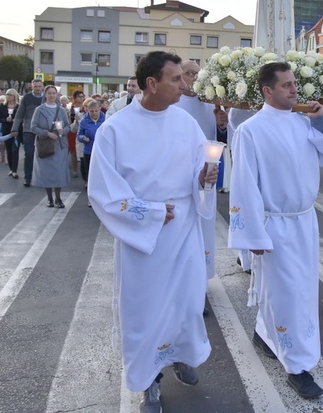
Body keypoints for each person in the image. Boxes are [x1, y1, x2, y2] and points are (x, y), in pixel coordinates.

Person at [88, 51, 218, 413]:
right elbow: (103, 192)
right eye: (175, 79)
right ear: (150, 83)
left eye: (183, 77)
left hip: (184, 230)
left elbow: (198, 171)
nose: (184, 84)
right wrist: (152, 213)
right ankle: (150, 383)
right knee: (144, 312)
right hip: (143, 239)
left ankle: (180, 356)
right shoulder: (115, 129)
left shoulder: (186, 123)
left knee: (187, 305)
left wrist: (203, 177)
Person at [229, 62, 323, 399]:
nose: (296, 90)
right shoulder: (251, 130)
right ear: (267, 91)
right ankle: (296, 367)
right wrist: (253, 237)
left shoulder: (302, 121)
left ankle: (266, 334)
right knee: (285, 294)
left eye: (295, 84)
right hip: (273, 225)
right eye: (287, 85)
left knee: (302, 291)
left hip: (303, 221)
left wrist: (321, 121)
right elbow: (244, 185)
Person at [176, 60, 231, 281]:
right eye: (190, 73)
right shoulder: (173, 103)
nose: (195, 78)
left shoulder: (211, 104)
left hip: (207, 175)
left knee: (205, 228)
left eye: (198, 74)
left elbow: (220, 141)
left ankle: (201, 282)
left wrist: (222, 126)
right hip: (180, 177)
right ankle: (183, 280)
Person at [30, 85, 71, 208]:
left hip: (59, 145)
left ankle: (58, 198)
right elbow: (33, 127)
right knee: (47, 172)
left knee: (58, 172)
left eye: (54, 93)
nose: (52, 95)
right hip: (45, 145)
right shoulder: (39, 110)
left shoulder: (61, 110)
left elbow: (68, 126)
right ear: (45, 95)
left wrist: (62, 131)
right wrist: (46, 133)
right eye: (49, 93)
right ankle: (49, 198)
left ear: (57, 95)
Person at [11, 79, 44, 186]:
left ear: (42, 87)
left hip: (42, 129)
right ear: (32, 87)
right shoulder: (27, 98)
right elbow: (20, 114)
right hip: (28, 129)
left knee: (43, 154)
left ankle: (41, 176)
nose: (38, 88)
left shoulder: (47, 97)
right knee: (29, 153)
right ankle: (28, 177)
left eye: (39, 86)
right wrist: (15, 128)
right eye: (35, 86)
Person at [76, 99, 105, 191]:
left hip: (102, 150)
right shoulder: (84, 121)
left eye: (96, 111)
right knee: (90, 174)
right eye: (91, 111)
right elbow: (79, 135)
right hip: (89, 150)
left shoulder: (105, 119)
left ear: (100, 109)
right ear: (87, 110)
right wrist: (83, 138)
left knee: (101, 173)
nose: (94, 113)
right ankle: (91, 195)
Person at [0, 89, 21, 179]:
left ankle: (15, 170)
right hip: (6, 130)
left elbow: (22, 117)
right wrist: (5, 120)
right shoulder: (3, 106)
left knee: (15, 149)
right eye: (7, 95)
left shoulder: (18, 106)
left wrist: (17, 121)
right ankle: (11, 168)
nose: (9, 97)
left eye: (11, 95)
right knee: (8, 149)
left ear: (14, 96)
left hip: (16, 130)